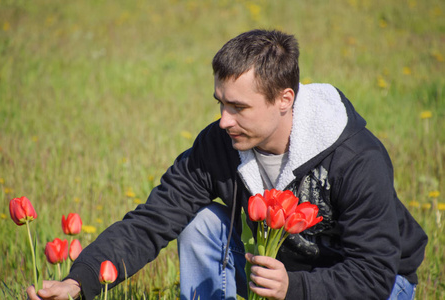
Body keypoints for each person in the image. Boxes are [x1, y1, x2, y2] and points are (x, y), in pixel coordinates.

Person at [27, 29, 428, 300]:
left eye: (238, 107)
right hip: (273, 275)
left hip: (373, 284)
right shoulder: (218, 145)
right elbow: (151, 221)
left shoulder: (356, 157)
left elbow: (374, 272)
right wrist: (78, 282)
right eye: (220, 102)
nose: (224, 119)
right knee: (200, 223)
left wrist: (295, 288)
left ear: (284, 99)